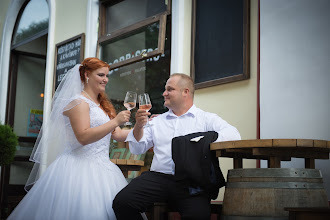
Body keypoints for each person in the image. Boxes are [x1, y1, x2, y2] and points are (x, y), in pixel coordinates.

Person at [8, 57, 132, 220]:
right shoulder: (78, 102)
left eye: (107, 76)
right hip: (77, 170)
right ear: (87, 75)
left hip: (104, 168)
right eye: (101, 75)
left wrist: (142, 126)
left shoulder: (102, 105)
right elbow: (83, 136)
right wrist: (116, 121)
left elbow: (117, 134)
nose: (106, 80)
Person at [112, 73, 241, 220]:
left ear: (185, 92)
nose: (164, 93)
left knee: (198, 216)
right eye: (165, 89)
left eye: (169, 89)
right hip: (158, 178)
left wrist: (201, 142)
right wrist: (139, 126)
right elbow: (137, 149)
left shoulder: (206, 118)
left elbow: (233, 135)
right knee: (122, 202)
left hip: (191, 181)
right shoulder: (157, 121)